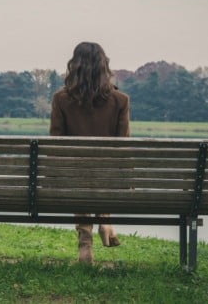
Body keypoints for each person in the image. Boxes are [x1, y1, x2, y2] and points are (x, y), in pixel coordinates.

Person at [49, 41, 130, 264]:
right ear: (104, 67)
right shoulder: (120, 101)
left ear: (74, 66)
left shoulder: (61, 99)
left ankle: (85, 243)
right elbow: (123, 150)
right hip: (108, 179)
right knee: (103, 172)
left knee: (80, 174)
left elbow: (55, 148)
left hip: (74, 178)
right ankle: (105, 221)